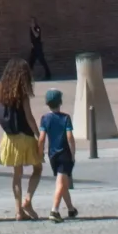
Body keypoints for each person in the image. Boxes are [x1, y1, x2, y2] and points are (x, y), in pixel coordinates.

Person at [0, 59, 42, 220]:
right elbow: (29, 116)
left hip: (9, 138)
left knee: (17, 175)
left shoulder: (2, 90)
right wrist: (38, 134)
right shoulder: (23, 93)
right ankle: (27, 200)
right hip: (25, 137)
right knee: (38, 168)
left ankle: (18, 211)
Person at [38, 87, 78, 222]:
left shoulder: (44, 119)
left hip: (52, 154)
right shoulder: (65, 118)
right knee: (60, 183)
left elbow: (42, 138)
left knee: (63, 182)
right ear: (60, 102)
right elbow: (70, 136)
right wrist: (73, 152)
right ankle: (54, 210)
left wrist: (40, 153)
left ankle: (71, 209)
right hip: (64, 153)